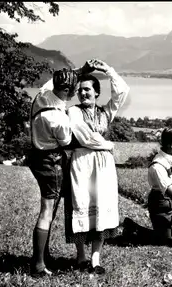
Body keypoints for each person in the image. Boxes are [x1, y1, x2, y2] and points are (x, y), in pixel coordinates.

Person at [63, 59, 130, 275]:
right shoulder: (73, 112)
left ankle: (95, 259)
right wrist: (107, 144)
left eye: (87, 90)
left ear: (96, 92)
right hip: (82, 163)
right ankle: (81, 256)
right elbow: (84, 136)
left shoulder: (106, 112)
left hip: (103, 167)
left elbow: (122, 91)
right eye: (80, 90)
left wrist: (108, 70)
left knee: (101, 206)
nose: (83, 94)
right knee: (81, 204)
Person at [27, 67, 79, 277]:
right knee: (47, 211)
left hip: (36, 157)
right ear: (67, 90)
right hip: (51, 162)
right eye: (74, 88)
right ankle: (38, 264)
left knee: (49, 209)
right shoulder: (58, 118)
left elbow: (48, 84)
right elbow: (66, 142)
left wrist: (77, 71)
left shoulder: (42, 97)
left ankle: (43, 254)